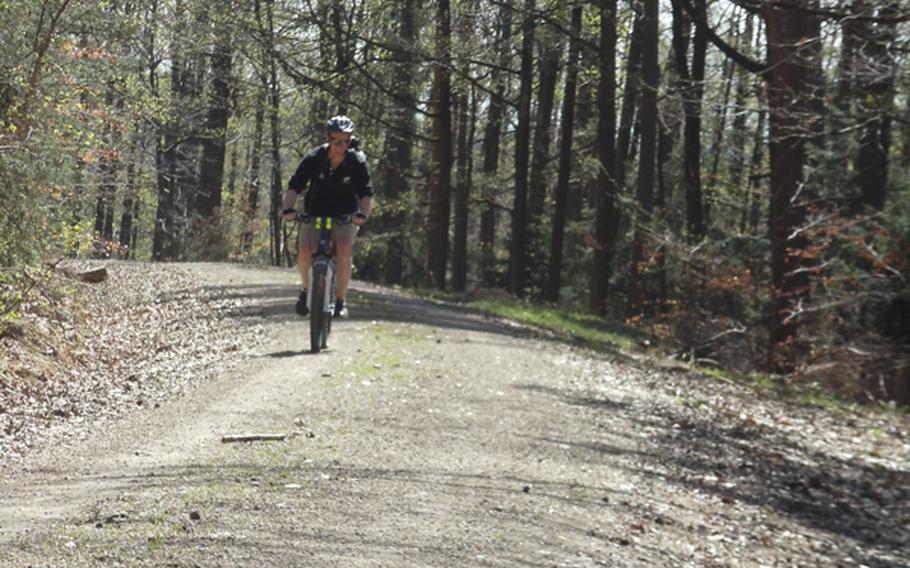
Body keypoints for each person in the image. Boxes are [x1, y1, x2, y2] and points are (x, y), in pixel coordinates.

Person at [281, 115, 373, 318]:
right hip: (315, 212)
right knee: (305, 249)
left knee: (343, 245)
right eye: (336, 141)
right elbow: (295, 186)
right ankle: (306, 290)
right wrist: (288, 209)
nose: (341, 146)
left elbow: (366, 194)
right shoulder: (315, 158)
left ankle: (340, 300)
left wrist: (362, 214)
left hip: (346, 214)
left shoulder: (356, 161)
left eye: (346, 141)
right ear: (328, 139)